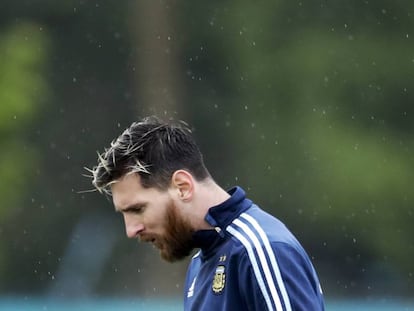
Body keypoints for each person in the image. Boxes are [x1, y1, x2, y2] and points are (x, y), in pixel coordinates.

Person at [89, 116, 325, 311]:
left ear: (183, 186)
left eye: (138, 209)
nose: (131, 230)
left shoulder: (260, 250)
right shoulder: (201, 263)